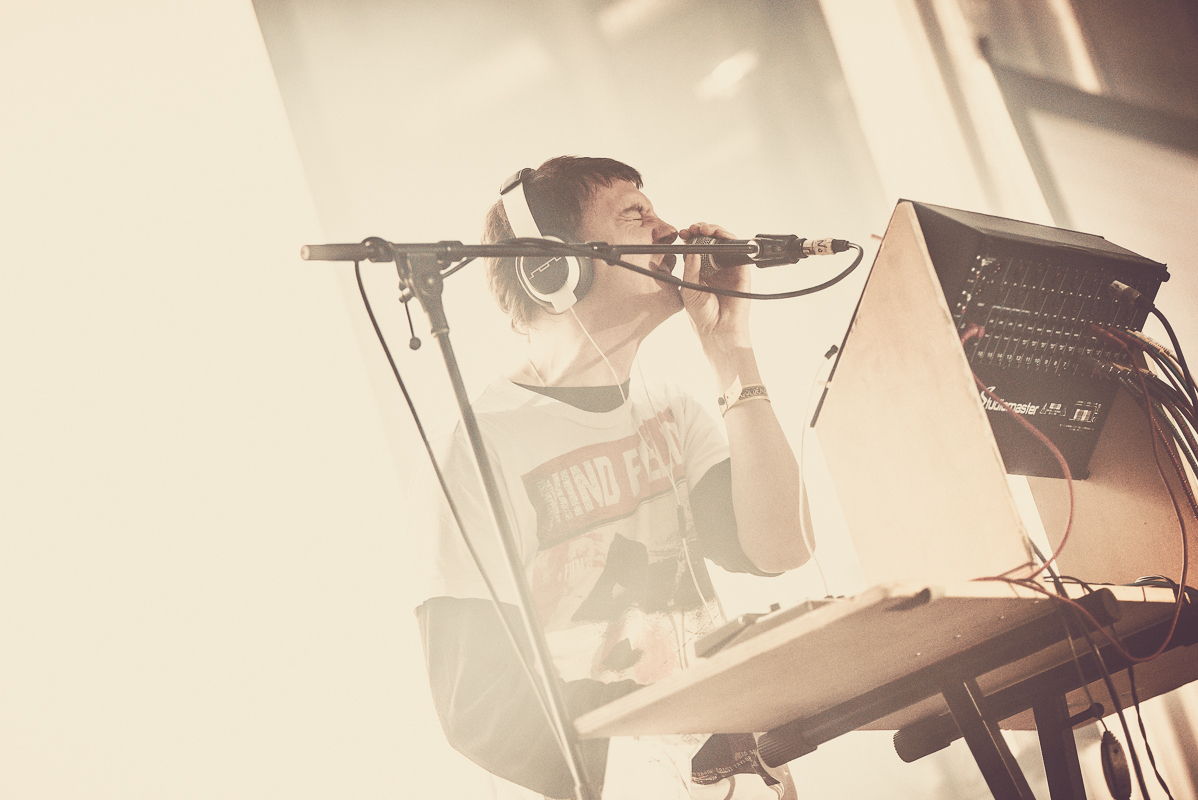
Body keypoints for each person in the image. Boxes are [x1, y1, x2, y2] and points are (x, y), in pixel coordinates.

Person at [413, 156, 812, 799]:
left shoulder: (673, 410)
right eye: (636, 214)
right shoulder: (481, 446)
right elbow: (476, 703)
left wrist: (729, 348)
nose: (672, 232)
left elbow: (781, 547)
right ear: (553, 269)